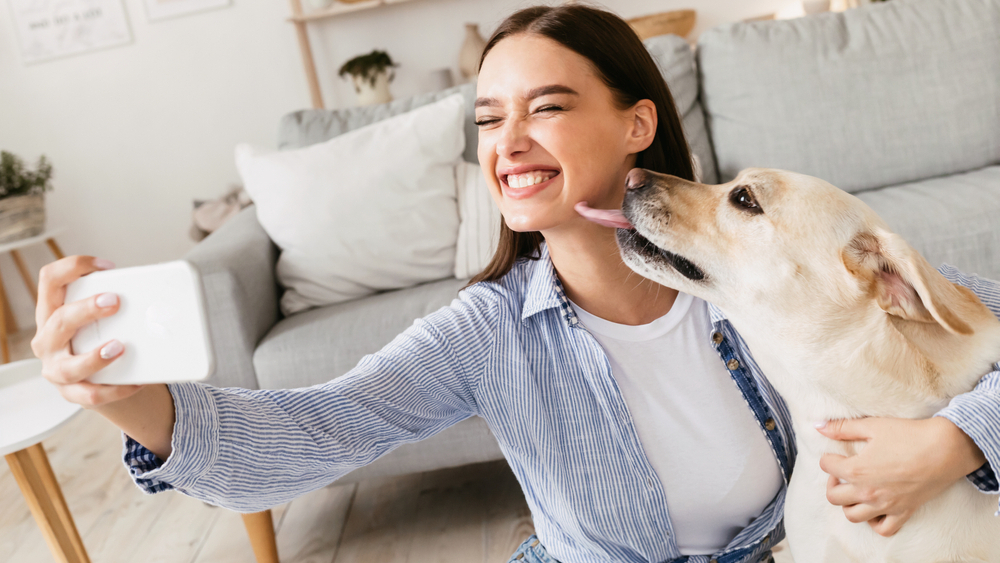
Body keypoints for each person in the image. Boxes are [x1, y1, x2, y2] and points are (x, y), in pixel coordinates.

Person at [31, 5, 999, 563]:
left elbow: (970, 326)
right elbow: (315, 431)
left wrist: (954, 438)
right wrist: (133, 400)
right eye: (489, 119)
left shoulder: (760, 267)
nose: (508, 143)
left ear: (635, 124)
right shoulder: (486, 331)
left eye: (546, 106)